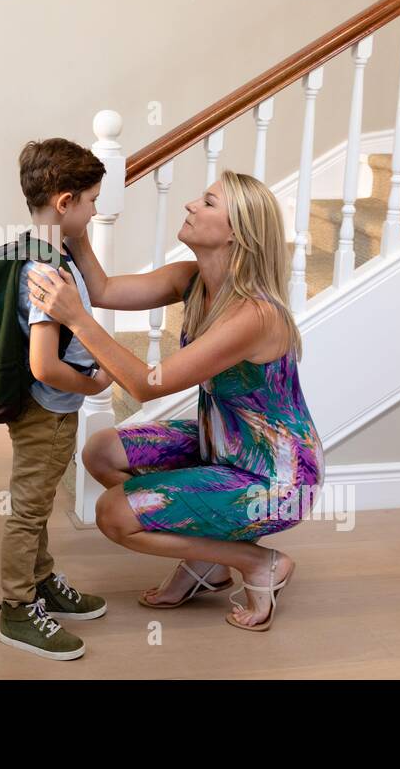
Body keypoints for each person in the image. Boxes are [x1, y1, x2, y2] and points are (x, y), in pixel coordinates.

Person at [26, 168, 324, 632]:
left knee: (114, 515)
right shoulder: (191, 280)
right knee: (101, 450)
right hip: (220, 444)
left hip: (275, 476)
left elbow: (148, 383)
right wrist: (76, 230)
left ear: (235, 234)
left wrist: (78, 320)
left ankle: (257, 563)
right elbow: (105, 290)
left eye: (207, 203)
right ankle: (208, 562)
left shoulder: (255, 316)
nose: (190, 205)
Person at [0, 138, 113, 660]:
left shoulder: (51, 250)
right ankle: (17, 610)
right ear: (65, 202)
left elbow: (103, 288)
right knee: (28, 511)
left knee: (39, 502)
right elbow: (44, 364)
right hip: (47, 408)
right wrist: (92, 386)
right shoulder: (46, 273)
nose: (96, 210)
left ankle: (41, 581)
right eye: (90, 200)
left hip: (50, 408)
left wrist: (80, 236)